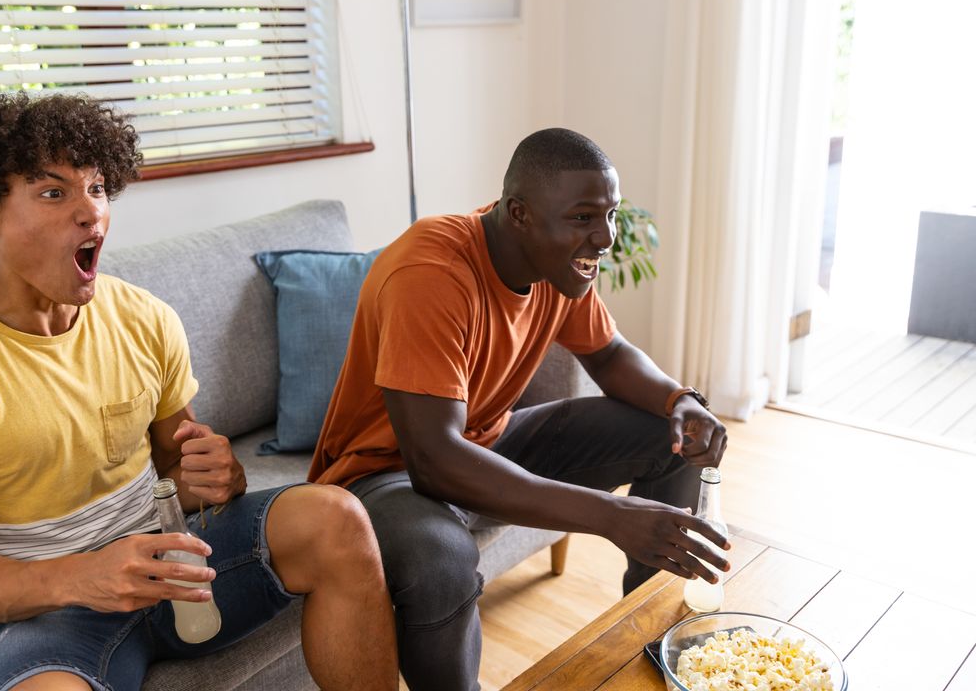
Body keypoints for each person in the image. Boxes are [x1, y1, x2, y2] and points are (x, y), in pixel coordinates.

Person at [0, 93, 397, 691]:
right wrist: (84, 577)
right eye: (54, 193)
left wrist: (220, 477)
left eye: (97, 188)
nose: (90, 213)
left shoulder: (144, 317)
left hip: (170, 559)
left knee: (335, 516)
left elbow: (175, 471)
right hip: (46, 607)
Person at [309, 128, 732, 691]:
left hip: (486, 441)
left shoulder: (557, 265)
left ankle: (656, 641)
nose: (604, 238)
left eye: (610, 215)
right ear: (520, 214)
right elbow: (433, 460)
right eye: (584, 218)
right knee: (441, 558)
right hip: (386, 475)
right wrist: (611, 516)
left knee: (670, 438)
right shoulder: (430, 273)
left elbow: (608, 355)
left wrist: (681, 400)